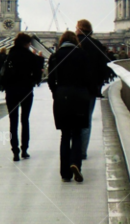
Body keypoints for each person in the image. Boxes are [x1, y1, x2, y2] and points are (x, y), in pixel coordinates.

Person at [47, 31, 93, 182]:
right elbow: (89, 78)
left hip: (62, 97)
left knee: (65, 135)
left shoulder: (55, 56)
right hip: (80, 97)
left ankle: (65, 173)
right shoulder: (83, 55)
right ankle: (76, 164)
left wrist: (57, 92)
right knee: (78, 133)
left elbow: (50, 79)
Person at [0, 33, 44, 161]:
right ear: (26, 43)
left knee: (13, 121)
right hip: (26, 90)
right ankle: (24, 149)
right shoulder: (31, 57)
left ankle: (15, 151)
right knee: (25, 120)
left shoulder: (10, 56)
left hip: (11, 91)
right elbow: (37, 78)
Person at [75, 19, 113, 160]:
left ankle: (74, 148)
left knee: (73, 120)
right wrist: (98, 85)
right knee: (86, 120)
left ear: (79, 29)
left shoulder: (73, 44)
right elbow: (104, 67)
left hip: (73, 88)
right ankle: (82, 151)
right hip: (90, 89)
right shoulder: (97, 45)